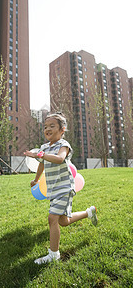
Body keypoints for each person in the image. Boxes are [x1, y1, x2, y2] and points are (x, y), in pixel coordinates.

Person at [24, 112, 98, 264]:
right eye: (45, 127)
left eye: (52, 126)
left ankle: (53, 254)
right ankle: (88, 212)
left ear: (62, 130)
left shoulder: (63, 145)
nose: (48, 129)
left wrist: (40, 154)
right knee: (63, 221)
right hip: (53, 189)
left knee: (52, 219)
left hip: (64, 188)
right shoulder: (44, 147)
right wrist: (36, 179)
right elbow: (42, 164)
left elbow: (59, 159)